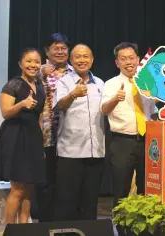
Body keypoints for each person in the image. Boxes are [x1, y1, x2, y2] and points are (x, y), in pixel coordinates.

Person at [53, 44, 105, 221]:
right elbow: (59, 106)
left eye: (85, 57)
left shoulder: (100, 83)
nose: (82, 60)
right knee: (67, 201)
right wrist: (73, 94)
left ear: (92, 59)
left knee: (90, 201)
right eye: (77, 57)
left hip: (95, 151)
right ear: (71, 60)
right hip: (71, 151)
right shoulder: (64, 82)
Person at [100, 42, 155, 208]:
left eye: (131, 57)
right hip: (122, 142)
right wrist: (116, 99)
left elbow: (153, 110)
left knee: (147, 187)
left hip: (148, 141)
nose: (128, 62)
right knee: (121, 189)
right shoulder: (111, 84)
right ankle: (122, 230)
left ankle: (145, 229)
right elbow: (104, 110)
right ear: (117, 63)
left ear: (138, 59)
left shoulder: (148, 83)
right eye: (123, 59)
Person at [0, 48, 45, 224]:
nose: (33, 65)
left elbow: (39, 117)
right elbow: (6, 112)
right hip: (15, 137)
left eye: (36, 62)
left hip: (33, 138)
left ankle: (24, 228)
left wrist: (41, 143)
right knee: (17, 188)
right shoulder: (13, 85)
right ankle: (10, 230)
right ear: (20, 64)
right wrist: (22, 104)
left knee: (29, 187)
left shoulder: (40, 86)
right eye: (29, 61)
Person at [35, 32, 72, 222]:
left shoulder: (75, 73)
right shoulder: (37, 72)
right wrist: (40, 74)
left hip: (70, 137)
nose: (60, 52)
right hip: (46, 135)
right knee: (46, 182)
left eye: (63, 48)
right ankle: (44, 223)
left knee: (65, 183)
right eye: (55, 48)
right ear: (46, 51)